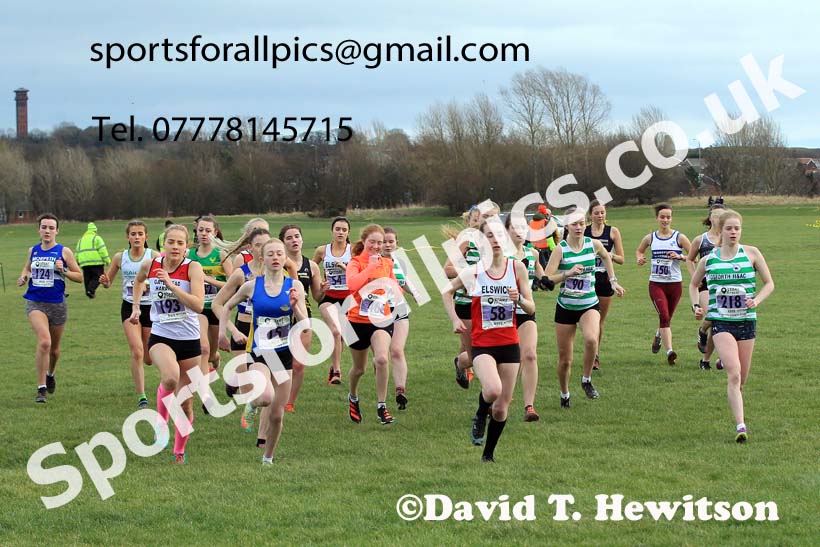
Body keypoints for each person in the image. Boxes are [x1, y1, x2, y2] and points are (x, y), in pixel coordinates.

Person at [444, 220, 536, 462]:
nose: (495, 240)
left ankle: (488, 455)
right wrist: (454, 319)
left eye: (498, 236)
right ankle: (479, 413)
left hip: (509, 343)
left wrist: (519, 301)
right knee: (493, 390)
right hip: (483, 343)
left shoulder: (517, 269)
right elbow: (447, 291)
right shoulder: (474, 271)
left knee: (502, 407)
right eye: (489, 236)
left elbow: (531, 305)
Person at [219, 238, 309, 464]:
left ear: (285, 258)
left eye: (280, 254)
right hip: (260, 353)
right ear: (262, 258)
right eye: (271, 254)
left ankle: (268, 457)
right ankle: (252, 401)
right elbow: (226, 307)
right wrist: (225, 332)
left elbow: (305, 324)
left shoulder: (294, 286)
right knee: (266, 397)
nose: (276, 258)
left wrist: (296, 305)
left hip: (284, 355)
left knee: (277, 416)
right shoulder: (252, 286)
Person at [688, 209, 774, 443]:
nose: (733, 232)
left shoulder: (752, 253)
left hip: (746, 322)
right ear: (721, 231)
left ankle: (725, 360)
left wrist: (756, 300)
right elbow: (694, 285)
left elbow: (769, 283)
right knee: (734, 375)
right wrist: (696, 305)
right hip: (722, 322)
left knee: (741, 379)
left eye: (737, 228)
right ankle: (741, 426)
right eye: (729, 228)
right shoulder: (709, 260)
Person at [130, 224, 205, 464]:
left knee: (185, 404)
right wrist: (135, 307)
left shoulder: (193, 268)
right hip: (161, 335)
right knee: (170, 377)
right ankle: (161, 425)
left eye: (180, 243)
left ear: (186, 247)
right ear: (163, 244)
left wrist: (171, 285)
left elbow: (198, 305)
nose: (175, 247)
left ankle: (179, 450)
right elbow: (138, 282)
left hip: (189, 340)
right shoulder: (151, 265)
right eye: (170, 242)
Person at [545, 211, 625, 408]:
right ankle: (564, 394)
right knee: (565, 360)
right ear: (567, 227)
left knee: (591, 339)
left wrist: (613, 281)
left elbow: (606, 256)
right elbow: (547, 279)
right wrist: (567, 274)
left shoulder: (593, 244)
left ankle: (586, 380)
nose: (579, 227)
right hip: (566, 306)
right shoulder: (560, 250)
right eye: (574, 224)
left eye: (581, 223)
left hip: (589, 303)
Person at [18, 214, 83, 403]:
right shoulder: (33, 251)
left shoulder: (64, 252)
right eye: (44, 227)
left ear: (57, 230)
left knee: (54, 350)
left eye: (51, 228)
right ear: (38, 229)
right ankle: (41, 389)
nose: (47, 231)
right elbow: (27, 268)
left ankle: (50, 374)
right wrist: (23, 276)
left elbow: (79, 277)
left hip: (57, 304)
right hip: (35, 302)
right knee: (44, 342)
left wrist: (63, 270)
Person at [212, 227, 271, 433]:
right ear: (249, 248)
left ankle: (237, 385)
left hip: (270, 332)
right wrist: (230, 331)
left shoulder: (280, 271)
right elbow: (218, 305)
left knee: (267, 380)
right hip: (244, 329)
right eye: (258, 245)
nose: (264, 250)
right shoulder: (241, 273)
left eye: (267, 245)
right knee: (249, 380)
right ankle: (249, 409)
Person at [344, 224, 403, 425]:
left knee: (381, 359)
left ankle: (382, 406)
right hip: (355, 322)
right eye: (373, 242)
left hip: (381, 319)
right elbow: (352, 285)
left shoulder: (387, 263)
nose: (377, 246)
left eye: (380, 242)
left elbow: (396, 289)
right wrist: (370, 267)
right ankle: (353, 396)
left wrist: (391, 289)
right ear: (364, 242)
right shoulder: (355, 262)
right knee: (359, 369)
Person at [99, 220, 158, 408]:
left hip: (150, 308)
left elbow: (164, 279)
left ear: (146, 237)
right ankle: (142, 396)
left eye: (140, 234)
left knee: (149, 358)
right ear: (128, 237)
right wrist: (104, 281)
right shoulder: (120, 257)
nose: (137, 237)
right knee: (137, 351)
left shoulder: (154, 256)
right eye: (133, 234)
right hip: (129, 306)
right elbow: (109, 282)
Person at [444, 201, 501, 390]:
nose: (490, 220)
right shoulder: (467, 240)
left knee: (493, 350)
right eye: (486, 216)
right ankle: (461, 365)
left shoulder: (500, 243)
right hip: (467, 304)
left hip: (493, 303)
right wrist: (472, 273)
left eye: (494, 216)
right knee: (476, 354)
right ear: (478, 218)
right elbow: (448, 269)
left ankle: (492, 390)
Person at [636, 204, 691, 365]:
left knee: (667, 318)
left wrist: (680, 257)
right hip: (656, 284)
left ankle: (658, 336)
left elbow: (693, 257)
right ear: (657, 218)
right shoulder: (650, 238)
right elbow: (639, 250)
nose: (665, 220)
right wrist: (639, 258)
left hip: (675, 285)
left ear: (671, 218)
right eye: (662, 217)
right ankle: (670, 351)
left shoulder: (679, 238)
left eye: (668, 217)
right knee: (665, 316)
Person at [505, 215, 548, 421]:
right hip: (500, 316)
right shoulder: (499, 256)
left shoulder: (533, 254)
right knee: (502, 360)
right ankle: (462, 363)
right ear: (507, 231)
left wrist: (550, 279)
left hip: (525, 311)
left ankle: (529, 406)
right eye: (515, 227)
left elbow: (542, 275)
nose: (520, 231)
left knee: (529, 355)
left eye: (523, 227)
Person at [280, 224, 323, 413]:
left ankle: (288, 403)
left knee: (298, 364)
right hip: (279, 316)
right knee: (277, 361)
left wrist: (324, 290)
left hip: (303, 316)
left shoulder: (311, 265)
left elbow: (317, 296)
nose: (294, 240)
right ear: (282, 242)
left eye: (297, 236)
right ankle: (275, 396)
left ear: (302, 239)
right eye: (289, 238)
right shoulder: (276, 263)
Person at [382, 227, 423, 410]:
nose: (388, 244)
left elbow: (403, 280)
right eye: (384, 241)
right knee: (381, 357)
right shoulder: (372, 262)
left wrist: (414, 292)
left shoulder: (398, 261)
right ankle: (380, 393)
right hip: (378, 314)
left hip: (399, 309)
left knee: (397, 350)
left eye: (391, 241)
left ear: (397, 243)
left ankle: (400, 391)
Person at [189, 215, 234, 377]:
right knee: (203, 348)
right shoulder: (189, 255)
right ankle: (204, 390)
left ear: (215, 233)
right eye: (200, 230)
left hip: (216, 308)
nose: (204, 233)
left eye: (208, 230)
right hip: (198, 308)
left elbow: (232, 285)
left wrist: (207, 279)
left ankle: (216, 359)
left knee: (212, 352)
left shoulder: (221, 255)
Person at [583, 200, 625, 370]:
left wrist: (609, 255)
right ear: (590, 215)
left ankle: (595, 355)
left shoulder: (612, 232)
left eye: (602, 212)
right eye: (596, 213)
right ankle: (589, 348)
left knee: (599, 320)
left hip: (605, 279)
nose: (600, 216)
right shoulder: (583, 231)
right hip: (586, 278)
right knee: (586, 319)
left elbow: (622, 259)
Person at [685, 203, 726, 370]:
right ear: (710, 218)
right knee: (714, 316)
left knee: (718, 324)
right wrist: (695, 276)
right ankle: (702, 330)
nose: (718, 219)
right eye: (715, 215)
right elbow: (689, 259)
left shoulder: (729, 238)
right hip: (706, 286)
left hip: (724, 286)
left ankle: (705, 360)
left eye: (722, 216)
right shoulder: (701, 239)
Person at [312, 216, 352, 386]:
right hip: (328, 298)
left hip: (348, 298)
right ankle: (337, 371)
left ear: (348, 232)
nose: (340, 232)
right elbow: (312, 269)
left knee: (341, 335)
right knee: (335, 332)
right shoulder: (322, 250)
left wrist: (347, 269)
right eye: (337, 229)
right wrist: (320, 283)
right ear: (332, 231)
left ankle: (333, 366)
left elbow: (362, 271)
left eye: (344, 229)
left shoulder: (354, 250)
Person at [75, 222, 111, 298]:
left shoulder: (81, 240)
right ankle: (90, 290)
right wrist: (107, 260)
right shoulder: (96, 238)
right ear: (95, 231)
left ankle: (88, 292)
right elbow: (102, 250)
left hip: (84, 263)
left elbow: (77, 252)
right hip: (96, 262)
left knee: (87, 278)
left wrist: (76, 261)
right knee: (98, 276)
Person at [528, 204, 562, 270]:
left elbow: (529, 236)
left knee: (535, 267)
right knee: (545, 267)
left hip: (534, 248)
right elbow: (549, 237)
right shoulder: (545, 222)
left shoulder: (531, 222)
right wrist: (554, 249)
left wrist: (529, 248)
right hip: (544, 249)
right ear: (545, 214)